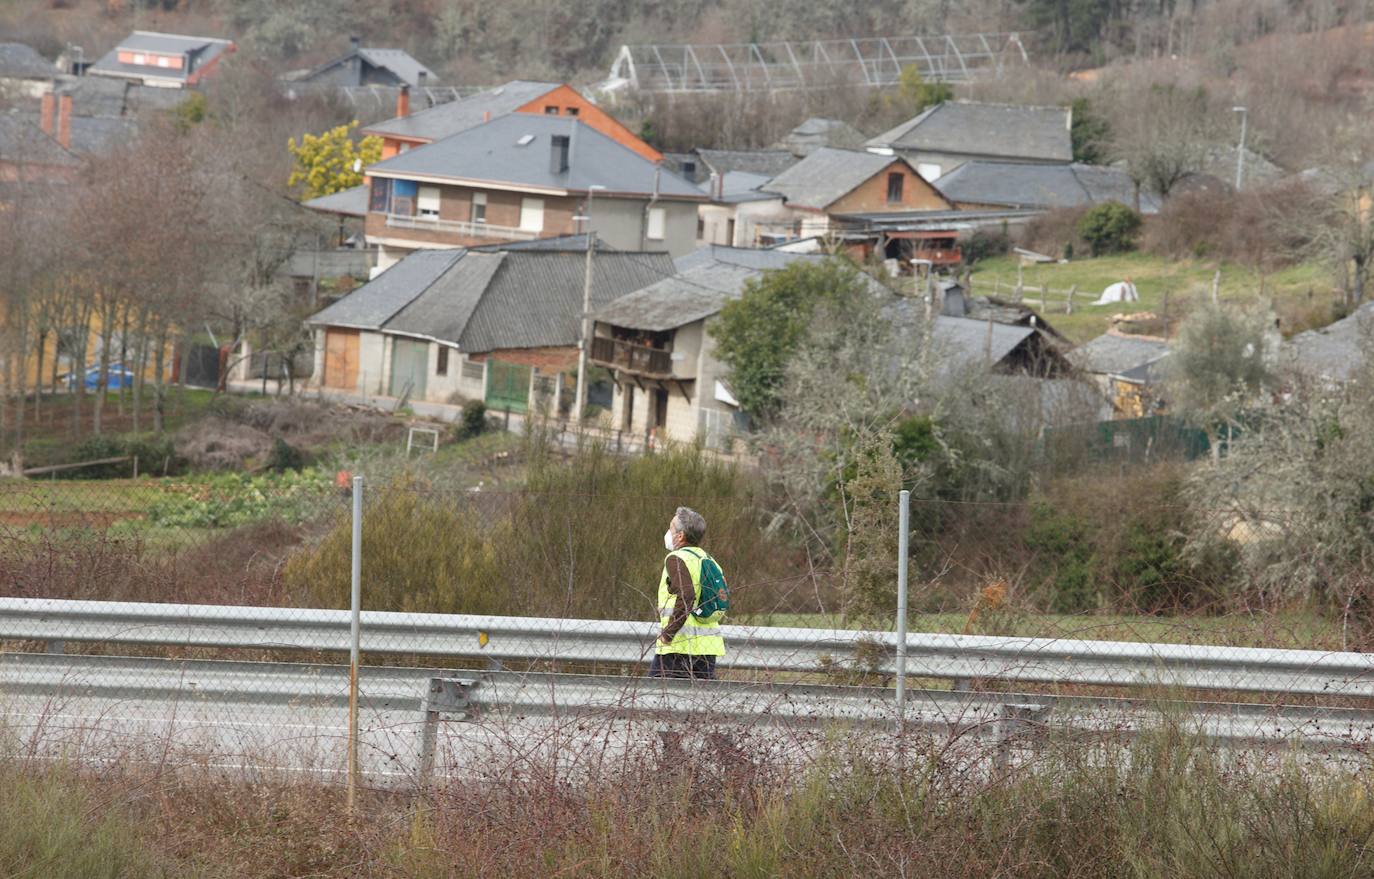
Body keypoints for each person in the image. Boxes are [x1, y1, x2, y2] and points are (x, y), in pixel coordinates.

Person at [648, 506, 725, 679]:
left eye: (671, 528)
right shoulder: (708, 559)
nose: (668, 533)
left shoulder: (676, 558)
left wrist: (668, 634)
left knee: (653, 698)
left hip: (679, 647)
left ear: (680, 536)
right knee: (700, 702)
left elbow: (687, 595)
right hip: (707, 647)